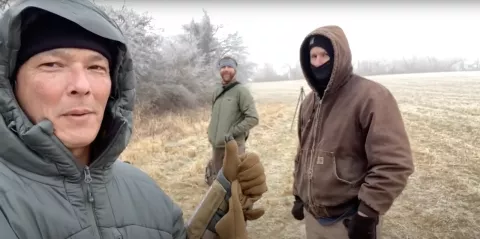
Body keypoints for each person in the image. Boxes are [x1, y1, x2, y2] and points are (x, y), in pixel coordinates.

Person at [0, 1, 267, 239]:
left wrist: (217, 211)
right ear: (11, 84)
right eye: (53, 65)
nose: (81, 86)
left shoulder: (146, 191)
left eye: (96, 67)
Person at [291, 25, 415, 239]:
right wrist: (298, 195)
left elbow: (394, 163)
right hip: (313, 218)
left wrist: (367, 212)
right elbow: (303, 155)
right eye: (313, 56)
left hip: (349, 221)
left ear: (340, 56)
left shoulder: (371, 96)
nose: (318, 62)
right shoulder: (309, 103)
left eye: (325, 55)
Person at [205, 56, 259, 186]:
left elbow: (253, 118)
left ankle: (237, 206)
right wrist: (211, 132)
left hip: (233, 147)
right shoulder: (217, 91)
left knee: (234, 185)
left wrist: (232, 133)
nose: (226, 70)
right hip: (217, 147)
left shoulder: (241, 91)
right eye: (223, 67)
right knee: (218, 186)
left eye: (229, 67)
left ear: (235, 70)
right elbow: (215, 116)